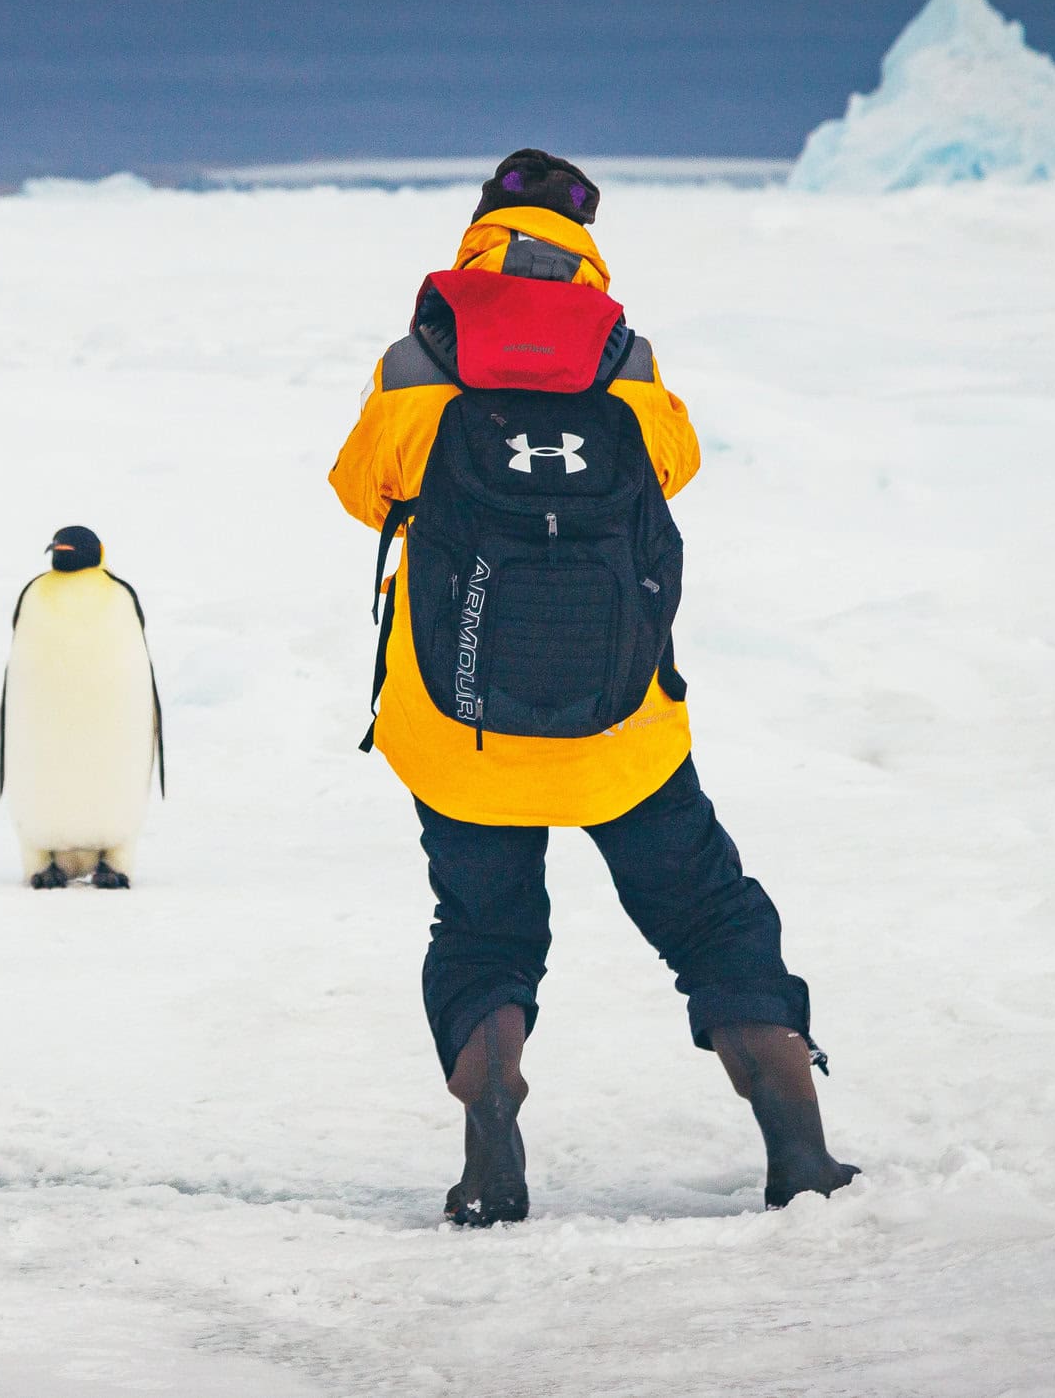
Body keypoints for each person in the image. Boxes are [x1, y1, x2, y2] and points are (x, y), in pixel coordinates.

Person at [328, 148, 855, 1224]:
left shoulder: (419, 353)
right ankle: (799, 1145)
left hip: (459, 719)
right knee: (711, 916)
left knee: (483, 933)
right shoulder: (626, 354)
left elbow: (359, 490)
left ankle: (493, 1138)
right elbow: (676, 463)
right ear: (585, 237)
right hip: (625, 727)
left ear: (479, 224)